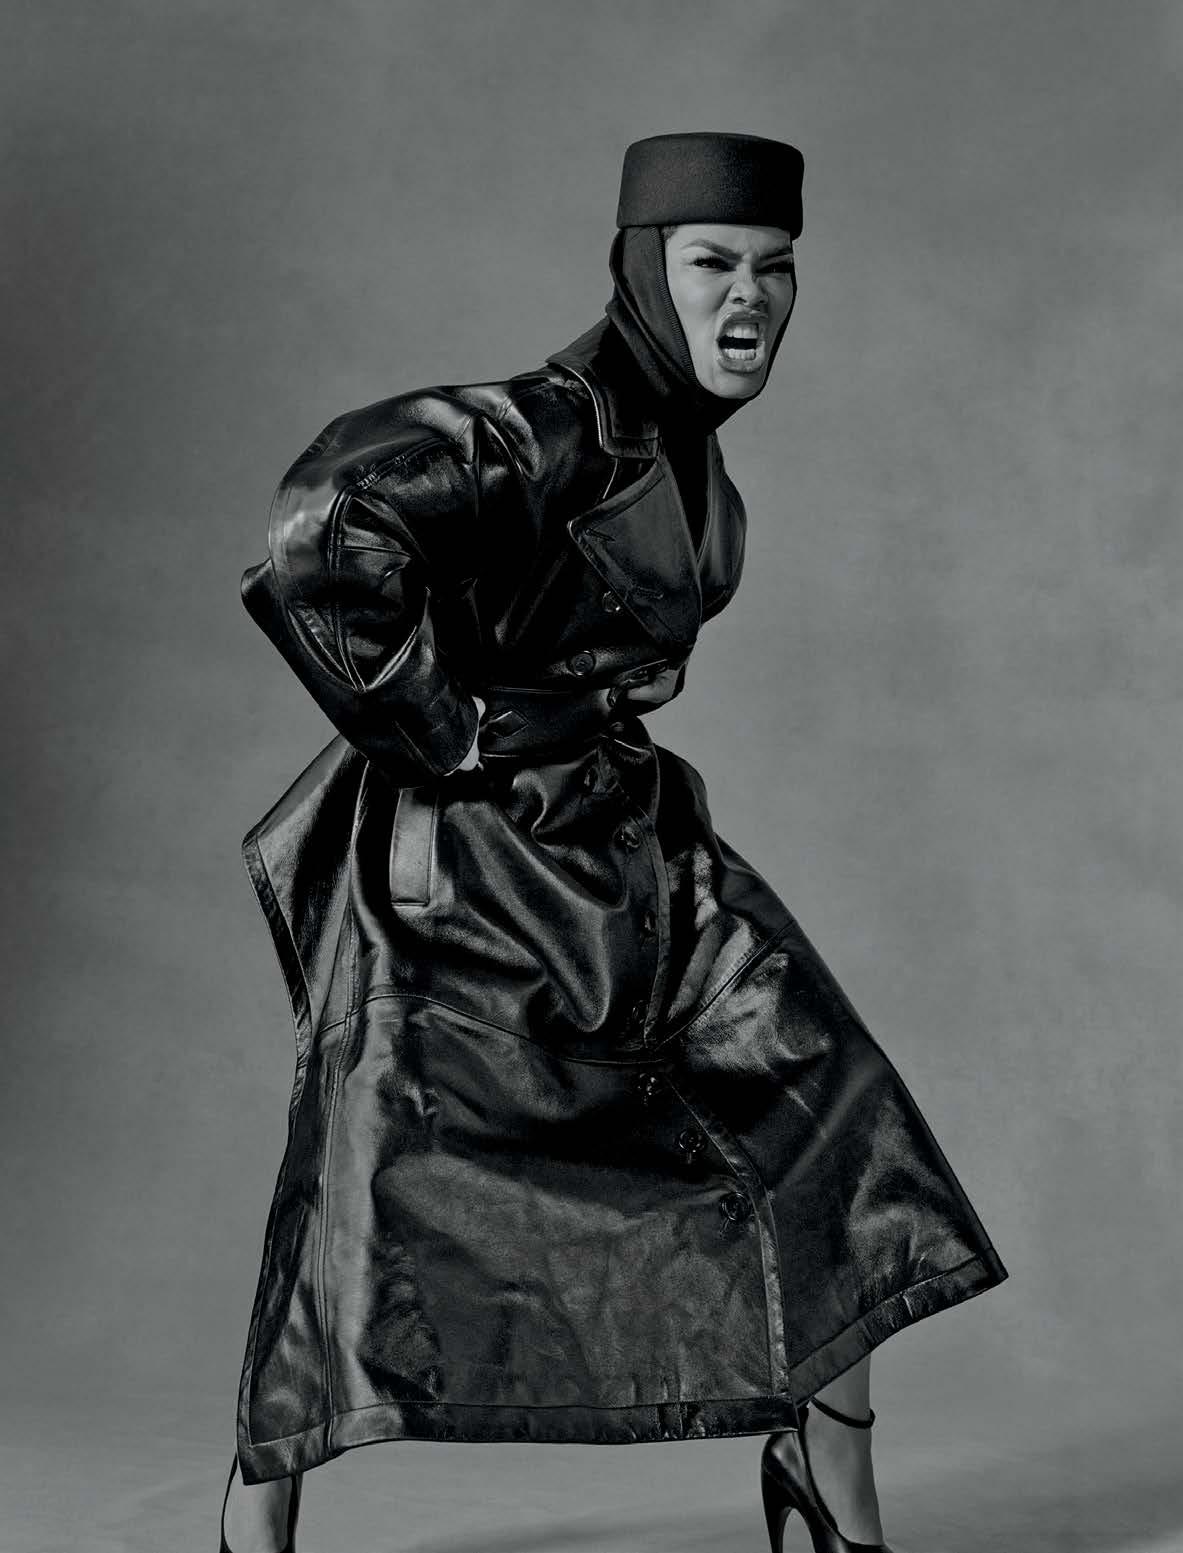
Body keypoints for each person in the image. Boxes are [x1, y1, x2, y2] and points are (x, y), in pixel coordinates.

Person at [219, 132, 1007, 1553]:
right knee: (356, 1175)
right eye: (713, 264)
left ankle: (831, 1484)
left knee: (836, 1117)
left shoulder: (699, 468)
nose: (750, 297)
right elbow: (324, 524)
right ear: (646, 269)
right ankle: (252, 1516)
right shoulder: (545, 426)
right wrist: (445, 727)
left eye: (775, 269)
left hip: (631, 847)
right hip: (469, 875)